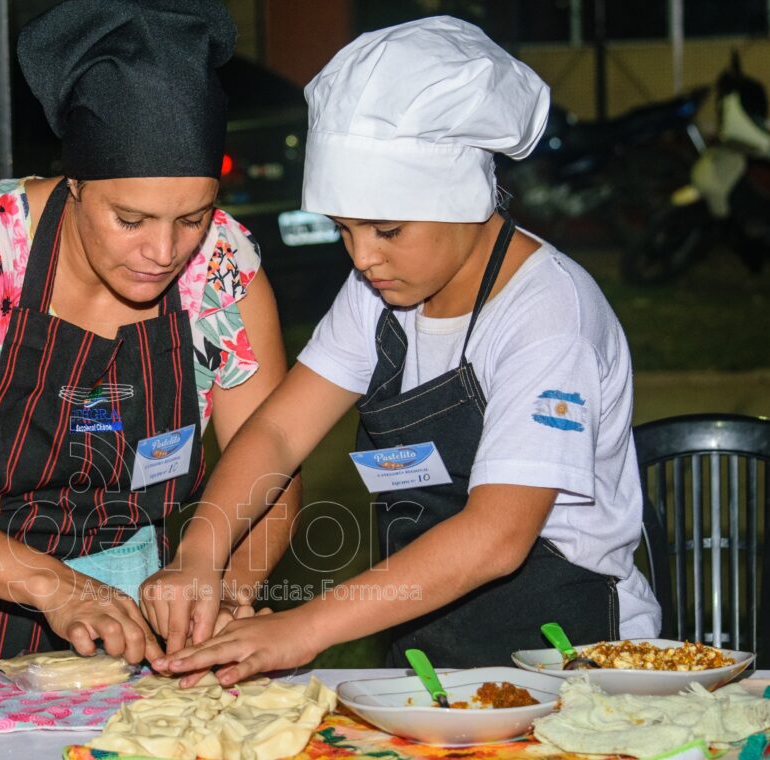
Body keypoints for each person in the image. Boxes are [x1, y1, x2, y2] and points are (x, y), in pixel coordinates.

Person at [142, 15, 662, 681]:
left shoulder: (548, 318)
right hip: (427, 658)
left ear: (466, 198)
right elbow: (276, 432)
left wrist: (304, 629)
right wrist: (199, 554)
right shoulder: (379, 292)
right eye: (344, 230)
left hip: (575, 661)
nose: (363, 257)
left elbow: (496, 538)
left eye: (387, 228)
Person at [0, 0, 299, 666]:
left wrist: (224, 590)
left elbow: (268, 470)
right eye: (130, 219)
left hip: (122, 615)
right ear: (74, 183)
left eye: (191, 218)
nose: (163, 252)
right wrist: (58, 588)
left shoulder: (223, 267)